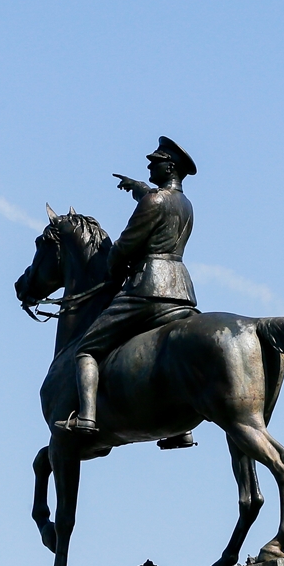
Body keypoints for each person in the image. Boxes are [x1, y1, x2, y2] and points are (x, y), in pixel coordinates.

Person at [56, 137, 199, 439]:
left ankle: (86, 417)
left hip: (146, 289)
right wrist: (138, 189)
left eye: (155, 160)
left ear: (169, 165)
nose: (150, 163)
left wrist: (112, 269)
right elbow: (158, 202)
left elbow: (126, 245)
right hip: (181, 292)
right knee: (168, 352)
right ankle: (179, 430)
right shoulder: (185, 204)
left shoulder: (155, 200)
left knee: (85, 349)